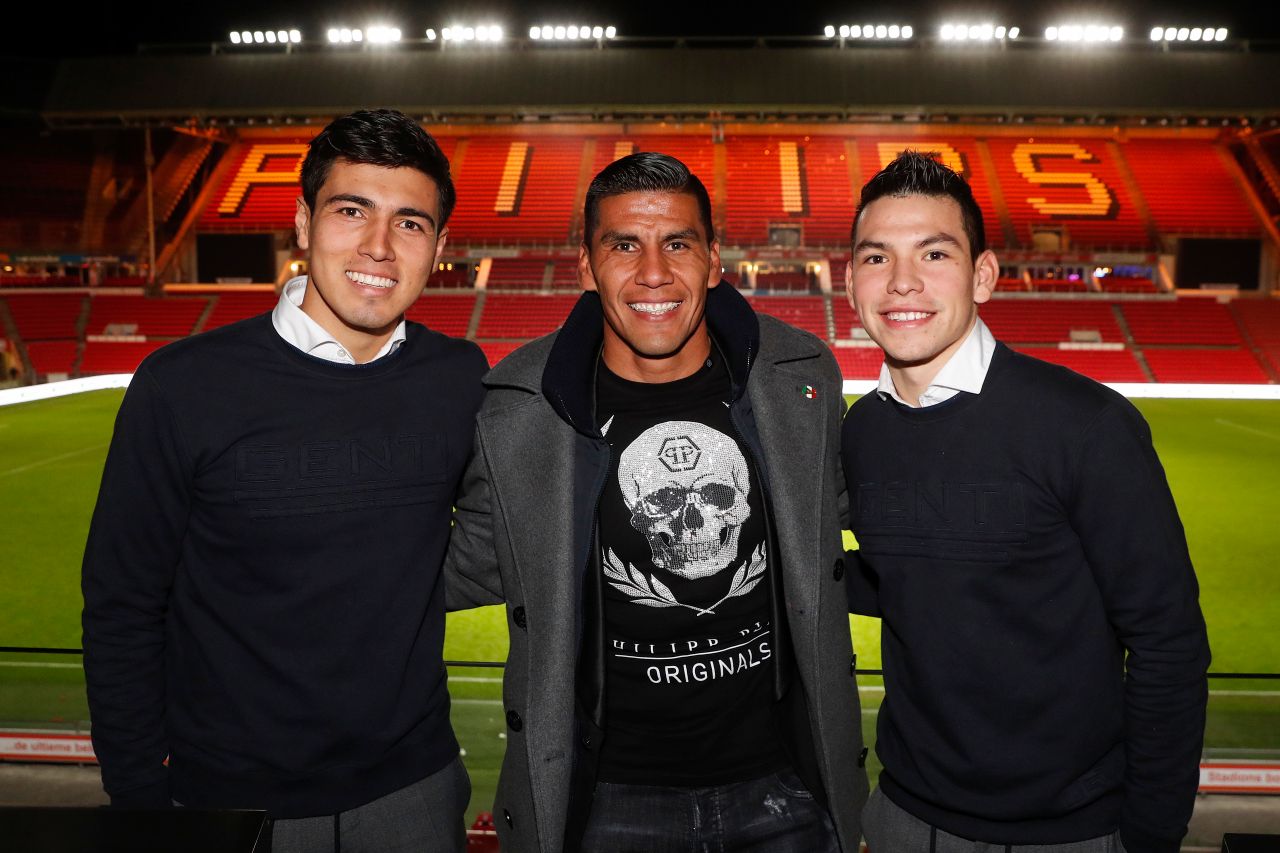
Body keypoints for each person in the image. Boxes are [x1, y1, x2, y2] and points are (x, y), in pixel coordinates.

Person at [81, 109, 485, 852]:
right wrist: (138, 795)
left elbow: (500, 533)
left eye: (410, 223)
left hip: (414, 793)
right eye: (351, 210)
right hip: (225, 797)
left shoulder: (459, 379)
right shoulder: (182, 386)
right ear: (303, 222)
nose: (378, 246)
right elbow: (123, 603)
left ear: (439, 247)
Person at [445, 152, 867, 852]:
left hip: (785, 786)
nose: (653, 273)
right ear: (586, 266)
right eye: (623, 246)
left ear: (714, 260)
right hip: (608, 801)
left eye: (677, 243)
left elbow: (877, 516)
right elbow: (457, 564)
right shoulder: (520, 412)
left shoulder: (799, 380)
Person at [841, 151, 1211, 853]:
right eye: (876, 257)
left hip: (1072, 833)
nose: (902, 281)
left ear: (983, 275)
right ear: (850, 281)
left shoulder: (1086, 424)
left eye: (934, 254)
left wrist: (1151, 835)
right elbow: (912, 572)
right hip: (903, 817)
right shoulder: (861, 432)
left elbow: (1168, 641)